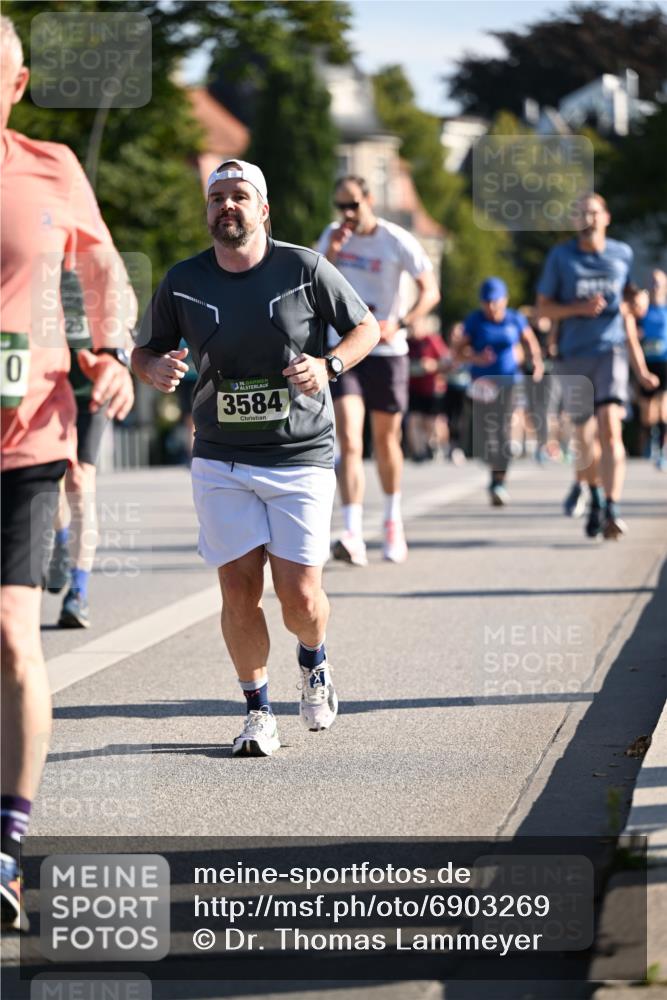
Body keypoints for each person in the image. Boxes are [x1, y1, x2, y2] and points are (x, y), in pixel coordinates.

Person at [132, 159, 379, 759]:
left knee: (300, 599)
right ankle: (257, 711)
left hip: (299, 455)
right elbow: (144, 349)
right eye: (217, 198)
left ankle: (313, 661)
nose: (227, 206)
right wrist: (153, 367)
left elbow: (367, 328)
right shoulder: (184, 279)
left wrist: (329, 366)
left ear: (262, 209)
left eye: (239, 196)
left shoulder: (304, 267)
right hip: (220, 458)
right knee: (238, 590)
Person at [1, 16, 134, 930]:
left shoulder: (51, 168)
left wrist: (111, 350)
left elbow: (103, 266)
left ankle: (5, 846)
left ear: (17, 84)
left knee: (12, 632)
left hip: (28, 436)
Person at [316, 175, 440, 566]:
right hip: (347, 348)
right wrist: (332, 252)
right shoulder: (333, 236)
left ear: (369, 200)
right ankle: (352, 532)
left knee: (387, 441)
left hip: (388, 350)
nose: (347, 214)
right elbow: (314, 284)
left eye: (353, 205)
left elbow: (431, 291)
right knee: (350, 440)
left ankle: (391, 520)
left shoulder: (395, 240)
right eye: (341, 207)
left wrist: (399, 323)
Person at [537, 196, 652, 538]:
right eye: (580, 213)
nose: (587, 218)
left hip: (611, 352)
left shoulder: (622, 254)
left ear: (606, 217)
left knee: (611, 429)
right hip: (574, 354)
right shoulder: (561, 257)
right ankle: (596, 494)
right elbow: (542, 310)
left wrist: (640, 303)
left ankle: (613, 506)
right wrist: (577, 308)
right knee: (585, 438)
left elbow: (631, 304)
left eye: (593, 212)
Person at [46, 269, 135, 628]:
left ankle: (77, 592)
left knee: (80, 483)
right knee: (52, 481)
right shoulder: (39, 252)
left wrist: (119, 356)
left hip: (91, 389)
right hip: (47, 387)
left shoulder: (98, 256)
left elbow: (127, 304)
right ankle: (60, 541)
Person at [455, 277, 543, 506]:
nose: (491, 307)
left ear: (505, 300)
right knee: (486, 432)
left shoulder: (515, 318)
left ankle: (498, 482)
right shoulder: (475, 321)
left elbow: (530, 342)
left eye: (495, 301)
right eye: (487, 302)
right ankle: (492, 466)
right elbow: (457, 352)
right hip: (482, 383)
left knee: (503, 429)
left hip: (509, 381)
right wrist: (475, 358)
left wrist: (537, 364)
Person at [637, 269, 667, 470]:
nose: (655, 285)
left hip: (664, 362)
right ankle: (651, 437)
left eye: (659, 282)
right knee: (648, 412)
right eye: (652, 281)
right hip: (645, 363)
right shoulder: (642, 311)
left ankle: (662, 450)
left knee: (664, 408)